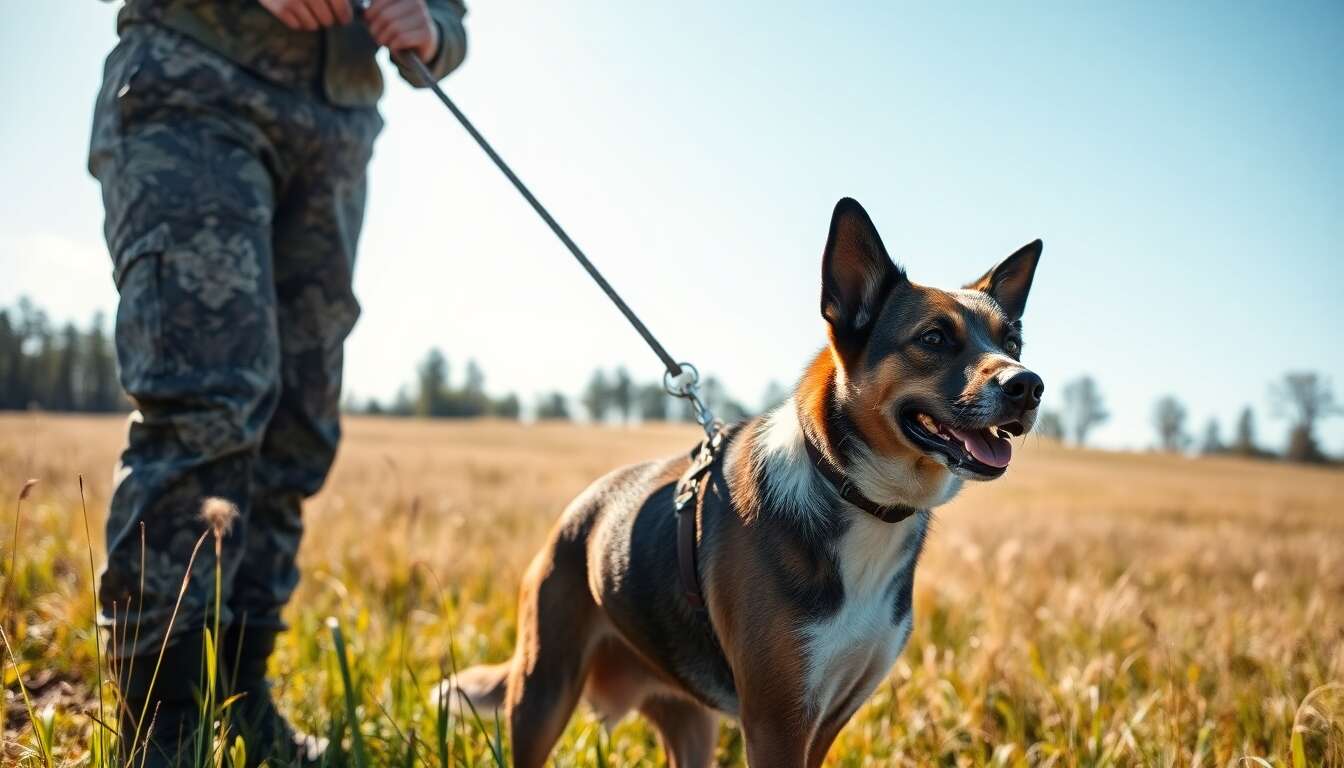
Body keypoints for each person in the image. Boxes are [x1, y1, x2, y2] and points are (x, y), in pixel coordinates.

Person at [87, 0, 467, 764]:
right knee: (206, 406)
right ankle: (159, 728)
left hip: (334, 135)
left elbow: (449, 13)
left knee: (299, 426)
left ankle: (237, 694)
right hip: (194, 88)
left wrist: (434, 26)